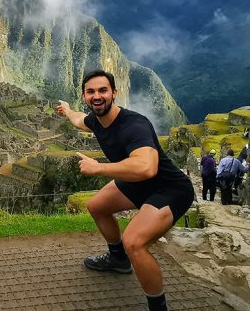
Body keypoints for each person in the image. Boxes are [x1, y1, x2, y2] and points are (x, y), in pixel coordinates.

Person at [56, 69, 195, 311]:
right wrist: (67, 110)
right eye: (91, 92)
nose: (97, 96)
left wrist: (99, 168)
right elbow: (78, 119)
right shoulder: (95, 121)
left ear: (114, 93)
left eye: (102, 90)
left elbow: (146, 167)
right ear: (84, 96)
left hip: (169, 189)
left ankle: (157, 306)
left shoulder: (134, 125)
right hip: (136, 184)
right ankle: (117, 258)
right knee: (96, 206)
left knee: (135, 242)